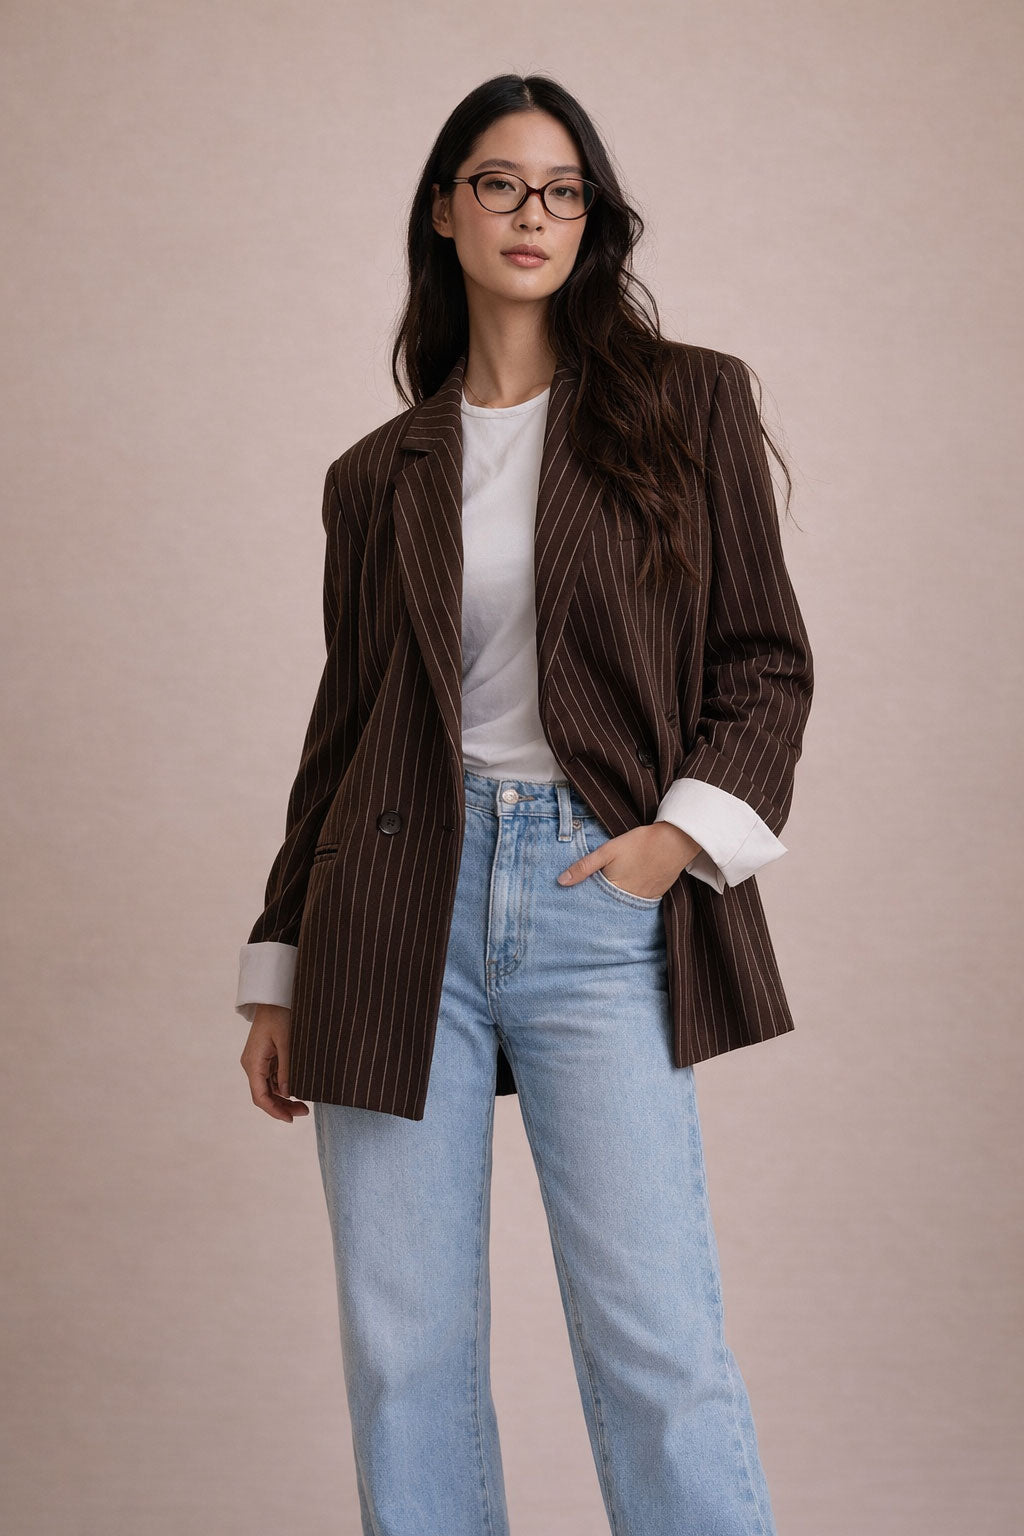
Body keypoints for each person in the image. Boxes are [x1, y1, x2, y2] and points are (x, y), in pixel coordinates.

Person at [236, 72, 812, 1536]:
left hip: (588, 893)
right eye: (499, 183)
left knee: (655, 1346)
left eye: (561, 190)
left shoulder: (688, 405)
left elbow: (763, 661)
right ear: (446, 210)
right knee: (401, 1356)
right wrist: (280, 967)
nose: (530, 214)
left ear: (592, 219)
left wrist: (674, 844)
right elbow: (345, 729)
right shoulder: (378, 475)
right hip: (389, 912)